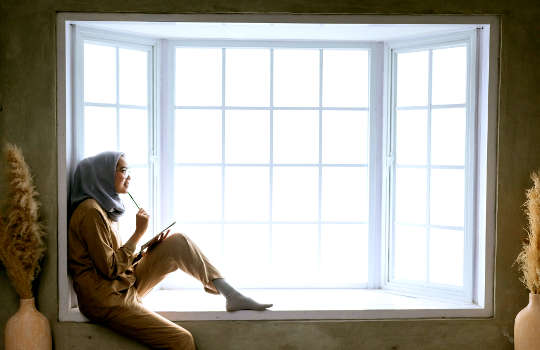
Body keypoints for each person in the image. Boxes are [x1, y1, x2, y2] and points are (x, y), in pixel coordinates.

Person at [68, 151, 272, 350]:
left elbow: (113, 263)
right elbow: (110, 268)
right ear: (102, 174)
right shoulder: (90, 212)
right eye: (123, 170)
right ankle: (231, 296)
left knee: (177, 242)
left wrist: (146, 249)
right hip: (107, 299)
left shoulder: (103, 209)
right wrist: (139, 233)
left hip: (120, 285)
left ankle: (230, 293)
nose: (128, 176)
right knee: (182, 341)